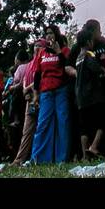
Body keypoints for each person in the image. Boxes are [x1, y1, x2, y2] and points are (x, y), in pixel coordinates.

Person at [29, 26, 75, 163]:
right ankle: (38, 158)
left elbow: (67, 67)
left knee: (63, 123)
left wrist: (58, 52)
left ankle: (62, 158)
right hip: (46, 92)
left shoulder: (65, 51)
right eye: (46, 34)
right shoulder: (41, 53)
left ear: (57, 34)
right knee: (43, 124)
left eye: (51, 33)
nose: (48, 36)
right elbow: (37, 75)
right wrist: (36, 95)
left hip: (61, 90)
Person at [71, 22, 105, 159]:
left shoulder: (77, 58)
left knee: (84, 127)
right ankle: (94, 147)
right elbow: (96, 69)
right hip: (93, 95)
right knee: (103, 121)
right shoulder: (88, 56)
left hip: (80, 97)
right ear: (89, 42)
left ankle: (85, 155)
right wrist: (103, 69)